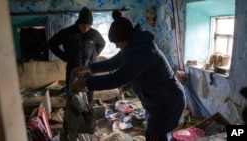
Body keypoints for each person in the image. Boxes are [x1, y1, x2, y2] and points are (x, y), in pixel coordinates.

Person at [72, 10, 186, 141]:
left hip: (167, 103)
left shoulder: (144, 52)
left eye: (117, 43)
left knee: (155, 136)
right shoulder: (132, 47)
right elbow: (112, 63)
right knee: (154, 134)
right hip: (156, 101)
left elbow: (118, 78)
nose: (116, 46)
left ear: (125, 39)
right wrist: (86, 68)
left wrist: (86, 82)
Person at [48, 7, 106, 103]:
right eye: (83, 25)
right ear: (79, 22)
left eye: (88, 26)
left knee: (89, 96)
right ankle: (73, 116)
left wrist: (94, 55)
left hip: (89, 70)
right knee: (73, 97)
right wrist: (64, 56)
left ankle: (88, 114)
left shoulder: (94, 34)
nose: (86, 28)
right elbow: (51, 43)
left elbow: (102, 44)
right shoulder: (67, 32)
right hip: (73, 70)